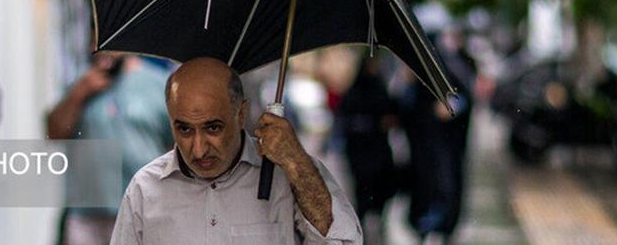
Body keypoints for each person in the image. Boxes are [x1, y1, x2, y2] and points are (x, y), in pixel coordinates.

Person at [110, 57, 363, 245]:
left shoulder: (286, 174)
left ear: (241, 114)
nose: (199, 150)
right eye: (184, 130)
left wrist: (296, 163)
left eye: (213, 128)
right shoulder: (144, 190)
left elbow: (342, 241)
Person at [47, 52, 171, 245]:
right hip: (87, 215)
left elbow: (176, 145)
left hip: (141, 211)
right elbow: (53, 132)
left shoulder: (158, 83)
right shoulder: (83, 81)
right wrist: (80, 93)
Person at [397, 29, 474, 245]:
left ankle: (440, 228)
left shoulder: (448, 70)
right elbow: (404, 110)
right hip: (422, 150)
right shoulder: (413, 76)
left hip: (444, 149)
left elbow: (464, 99)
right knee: (424, 192)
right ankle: (425, 228)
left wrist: (450, 107)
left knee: (444, 191)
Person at [337, 55, 399, 244]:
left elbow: (391, 114)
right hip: (359, 152)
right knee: (362, 193)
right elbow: (345, 118)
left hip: (377, 151)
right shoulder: (354, 92)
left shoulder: (380, 89)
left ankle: (376, 222)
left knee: (380, 190)